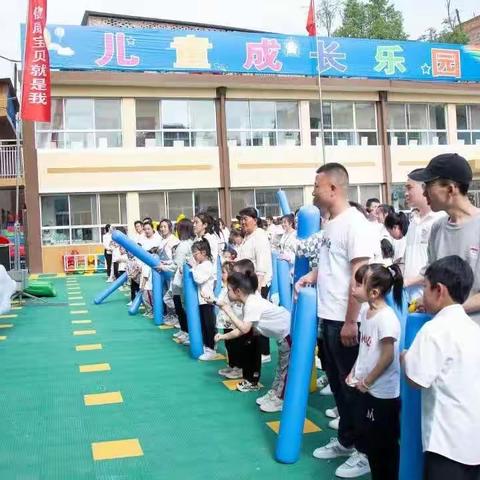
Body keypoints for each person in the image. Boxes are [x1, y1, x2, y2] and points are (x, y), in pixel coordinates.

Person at [296, 163, 376, 478]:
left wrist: (350, 322)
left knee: (353, 390)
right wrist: (310, 276)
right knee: (339, 390)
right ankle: (346, 440)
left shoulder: (356, 224)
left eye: (316, 185)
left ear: (333, 188)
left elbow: (361, 277)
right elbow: (332, 265)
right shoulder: (331, 224)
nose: (313, 191)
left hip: (345, 321)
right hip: (326, 318)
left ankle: (365, 452)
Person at [403, 255, 480, 479]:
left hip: (446, 444)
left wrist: (406, 358)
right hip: (473, 440)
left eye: (425, 288)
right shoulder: (474, 328)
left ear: (439, 290)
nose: (422, 296)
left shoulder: (433, 330)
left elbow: (415, 380)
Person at [408, 153, 480, 325]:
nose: (424, 192)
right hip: (442, 333)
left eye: (428, 185)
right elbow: (431, 274)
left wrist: (450, 311)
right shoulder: (438, 227)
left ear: (450, 189)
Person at [349, 263, 404, 480]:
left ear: (374, 292)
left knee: (385, 448)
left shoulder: (387, 319)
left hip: (382, 395)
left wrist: (368, 381)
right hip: (368, 389)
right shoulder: (365, 311)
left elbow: (387, 356)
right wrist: (355, 371)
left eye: (359, 284)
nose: (354, 288)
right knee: (372, 444)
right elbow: (365, 348)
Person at [214, 270, 291, 412]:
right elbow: (242, 329)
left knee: (285, 369)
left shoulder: (251, 303)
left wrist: (226, 309)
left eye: (228, 289)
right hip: (283, 337)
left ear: (237, 291)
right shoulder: (249, 302)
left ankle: (281, 399)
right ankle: (275, 393)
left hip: (289, 335)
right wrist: (223, 336)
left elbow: (243, 329)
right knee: (281, 367)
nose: (227, 292)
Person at [402, 170, 446, 303]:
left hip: (431, 299)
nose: (406, 193)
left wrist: (409, 281)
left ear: (425, 188)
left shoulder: (440, 220)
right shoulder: (413, 221)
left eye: (409, 188)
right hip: (409, 297)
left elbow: (440, 265)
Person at [237, 207, 273, 363]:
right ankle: (256, 350)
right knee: (251, 319)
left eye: (245, 219)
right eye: (241, 219)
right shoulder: (247, 236)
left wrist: (258, 287)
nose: (242, 222)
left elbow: (262, 263)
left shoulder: (260, 236)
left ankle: (264, 352)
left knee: (258, 319)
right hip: (247, 284)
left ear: (255, 220)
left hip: (258, 284)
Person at [162, 219, 194, 345]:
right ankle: (184, 329)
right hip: (182, 280)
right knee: (181, 306)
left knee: (181, 306)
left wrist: (163, 267)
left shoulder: (183, 245)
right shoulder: (190, 243)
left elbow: (177, 265)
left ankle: (186, 331)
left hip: (180, 280)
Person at [215, 261, 244, 380]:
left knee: (235, 344)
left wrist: (213, 301)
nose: (222, 275)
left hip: (233, 321)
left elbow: (227, 303)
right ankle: (232, 365)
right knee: (229, 344)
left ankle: (239, 367)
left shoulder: (234, 289)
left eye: (224, 272)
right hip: (225, 320)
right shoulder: (224, 287)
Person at [189, 239, 216, 360]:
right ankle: (207, 345)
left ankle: (211, 347)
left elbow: (199, 279)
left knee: (208, 324)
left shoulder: (207, 265)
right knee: (203, 324)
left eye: (195, 254)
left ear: (203, 253)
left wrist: (193, 268)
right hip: (201, 300)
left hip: (207, 300)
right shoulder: (201, 265)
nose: (194, 257)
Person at [193, 213, 219, 280]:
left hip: (208, 277)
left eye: (196, 222)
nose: (194, 225)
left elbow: (214, 259)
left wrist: (215, 279)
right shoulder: (196, 238)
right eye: (193, 222)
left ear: (205, 225)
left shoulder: (210, 239)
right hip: (198, 273)